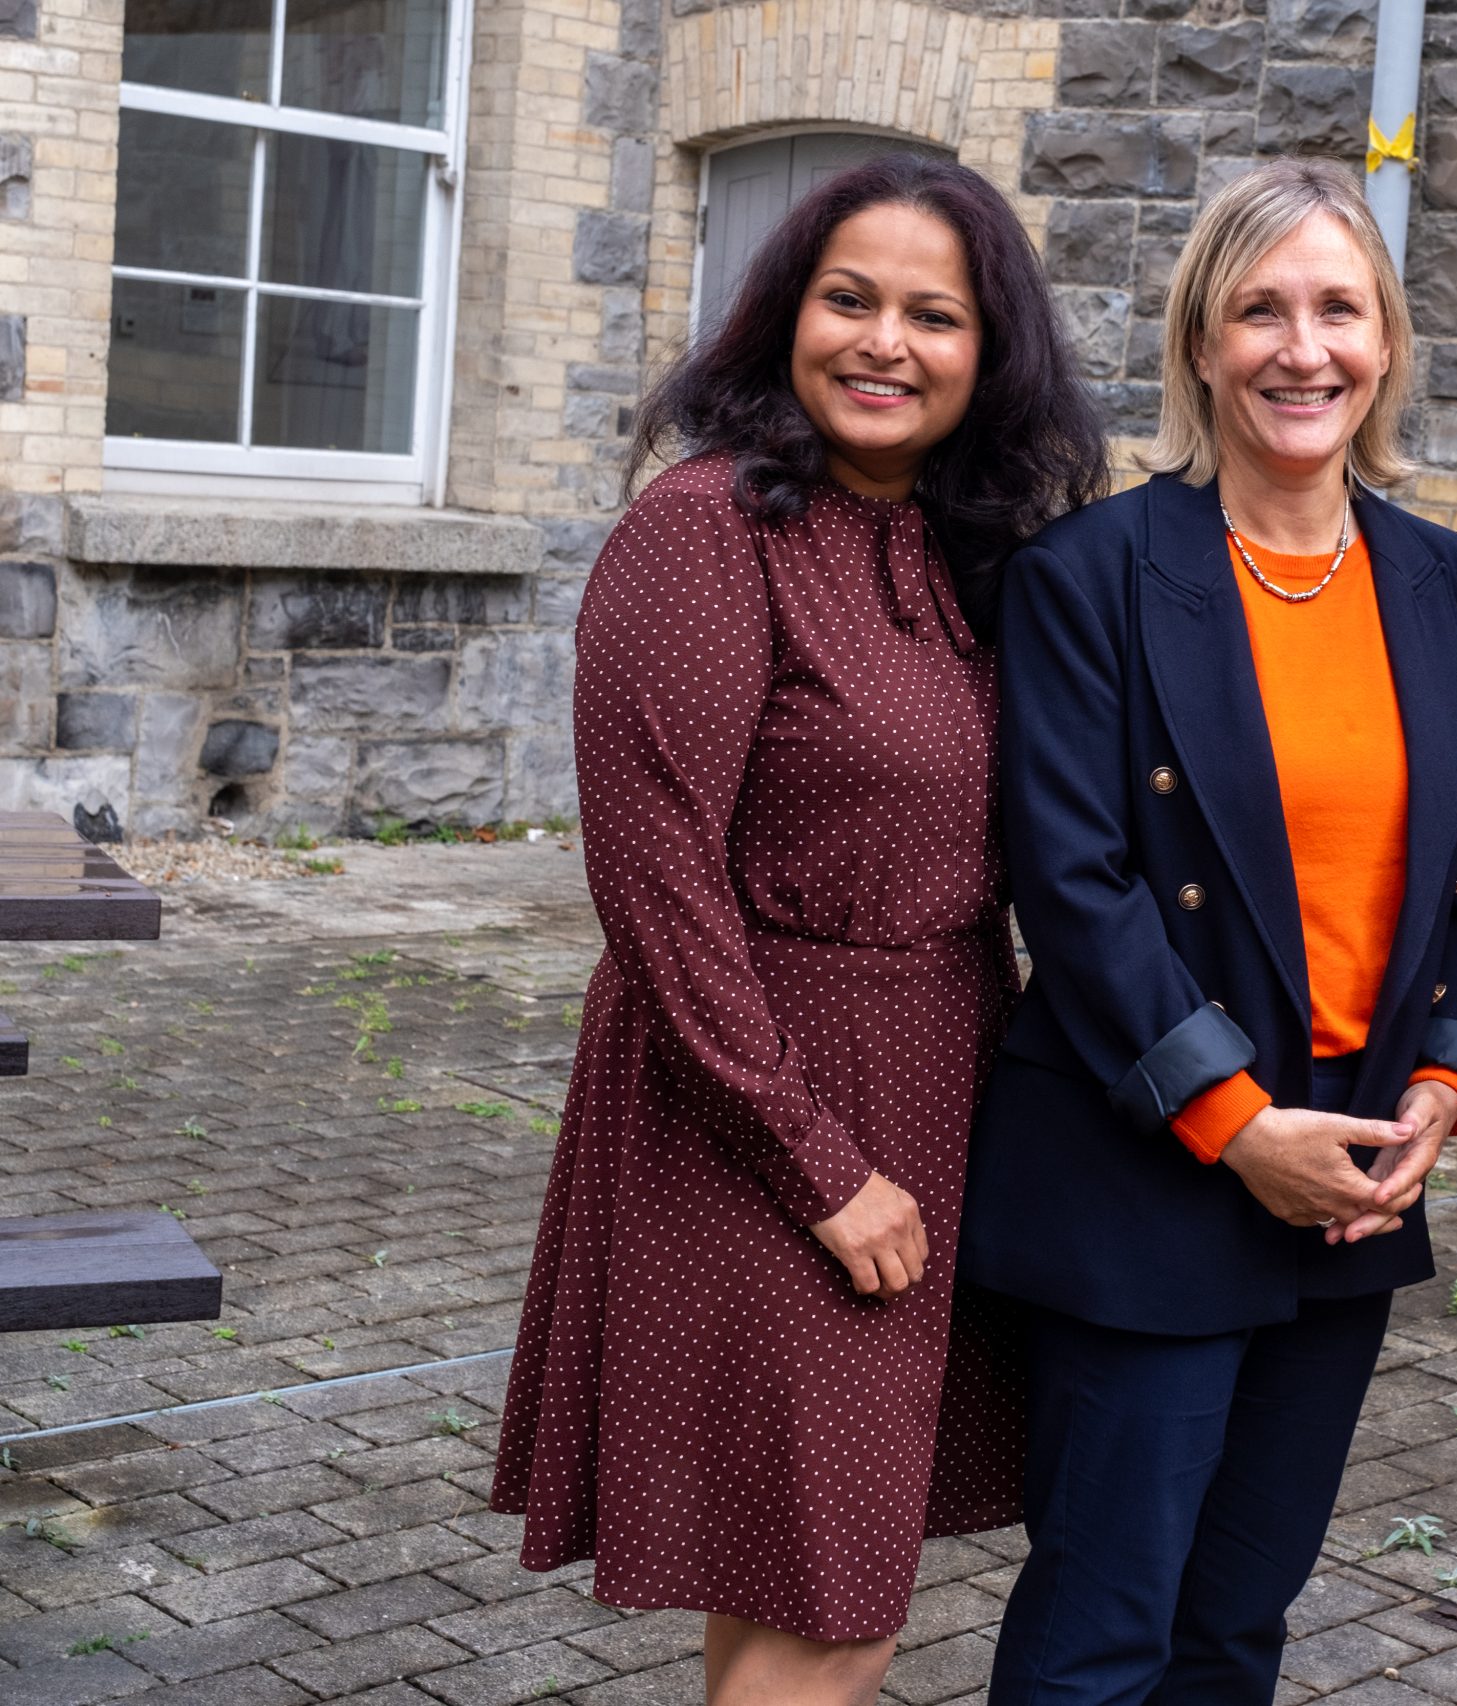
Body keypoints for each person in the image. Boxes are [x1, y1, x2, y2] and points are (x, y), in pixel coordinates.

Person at [490, 155, 1106, 1706]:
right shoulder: (705, 533)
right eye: (849, 300)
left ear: (991, 350)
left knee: (793, 1563)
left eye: (932, 313)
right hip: (756, 1104)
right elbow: (656, 887)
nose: (885, 342)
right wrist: (817, 1161)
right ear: (782, 318)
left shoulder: (976, 558)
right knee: (839, 1605)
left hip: (938, 1079)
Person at [957, 157, 1457, 1706]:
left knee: (1234, 1635)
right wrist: (1233, 1117)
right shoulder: (1093, 577)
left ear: (1388, 342)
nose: (1302, 347)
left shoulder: (1446, 581)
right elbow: (1071, 884)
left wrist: (1442, 1089)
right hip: (1150, 1177)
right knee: (1102, 1640)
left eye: (1340, 306)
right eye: (1259, 308)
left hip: (1346, 1189)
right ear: (1200, 344)